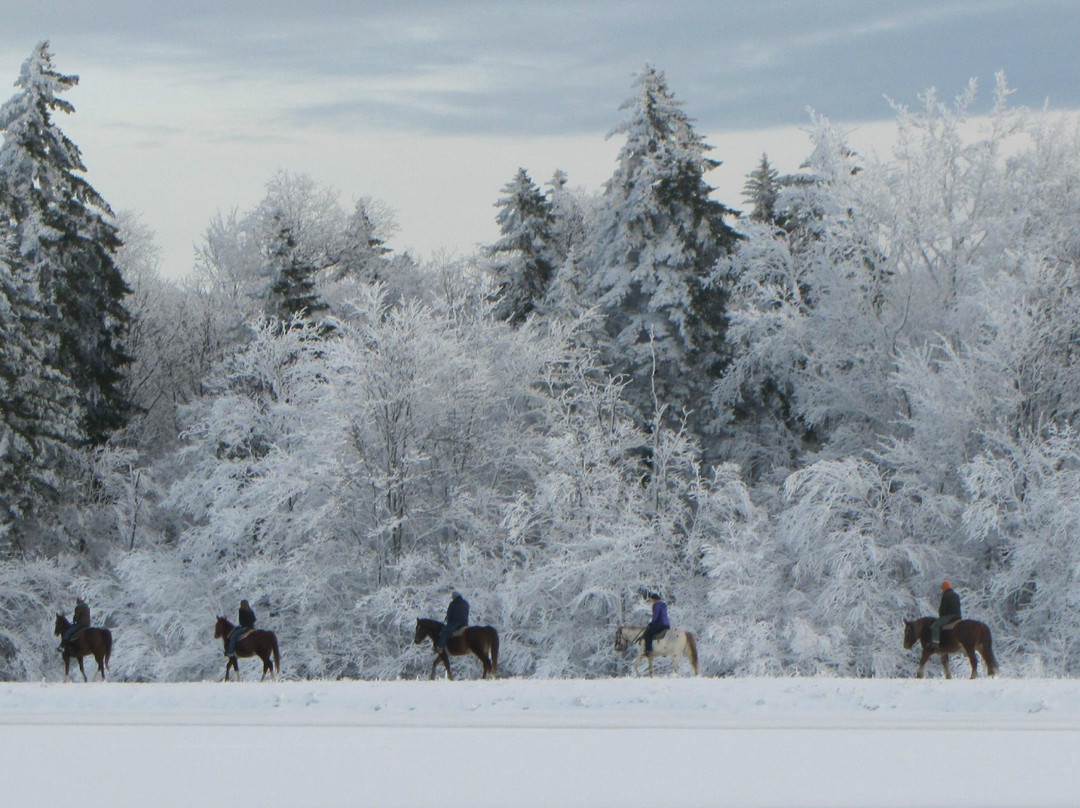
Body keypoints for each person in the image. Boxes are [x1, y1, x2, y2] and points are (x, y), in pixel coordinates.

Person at [930, 580, 961, 646]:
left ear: (944, 588)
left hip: (949, 617)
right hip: (958, 617)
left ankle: (935, 644)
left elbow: (942, 610)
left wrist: (941, 617)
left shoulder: (946, 596)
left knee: (935, 626)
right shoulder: (956, 595)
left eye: (942, 588)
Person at [642, 592, 670, 656]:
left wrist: (651, 624)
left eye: (652, 600)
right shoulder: (663, 605)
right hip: (666, 624)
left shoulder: (656, 605)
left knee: (647, 633)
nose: (652, 602)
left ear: (654, 599)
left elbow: (656, 617)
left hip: (660, 624)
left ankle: (649, 650)